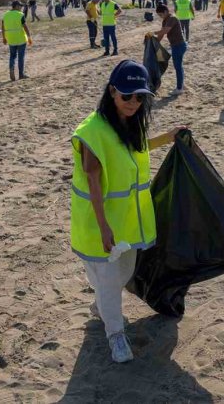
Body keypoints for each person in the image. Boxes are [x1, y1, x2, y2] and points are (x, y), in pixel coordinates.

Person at [70, 59, 183, 363]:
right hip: (100, 223)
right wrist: (104, 226)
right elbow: (93, 179)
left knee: (123, 274)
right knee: (109, 281)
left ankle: (102, 307)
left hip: (130, 221)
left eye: (139, 97)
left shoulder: (130, 124)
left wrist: (169, 137)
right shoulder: (93, 131)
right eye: (126, 96)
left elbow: (140, 149)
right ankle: (115, 335)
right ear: (111, 92)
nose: (133, 103)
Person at [149, 4, 188, 96]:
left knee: (178, 67)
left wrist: (153, 32)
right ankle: (181, 85)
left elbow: (165, 31)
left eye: (160, 15)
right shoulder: (165, 20)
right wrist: (155, 43)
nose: (160, 17)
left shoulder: (172, 18)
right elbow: (161, 34)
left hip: (179, 46)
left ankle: (179, 88)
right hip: (175, 46)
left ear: (166, 12)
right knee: (179, 66)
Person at [2, 0, 33, 81]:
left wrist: (4, 38)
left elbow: (3, 27)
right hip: (20, 38)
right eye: (20, 6)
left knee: (12, 56)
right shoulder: (20, 14)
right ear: (16, 6)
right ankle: (21, 74)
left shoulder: (5, 15)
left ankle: (11, 68)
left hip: (10, 38)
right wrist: (29, 37)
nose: (21, 7)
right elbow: (25, 26)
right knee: (21, 57)